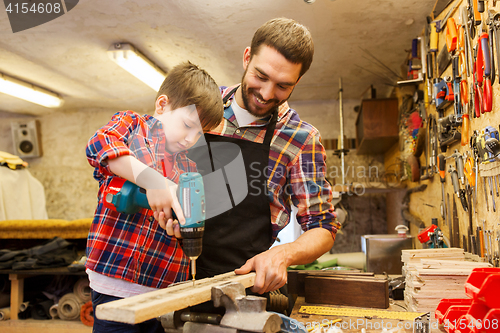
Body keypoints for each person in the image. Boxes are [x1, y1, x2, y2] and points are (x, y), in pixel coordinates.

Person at [165, 18, 340, 295]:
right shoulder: (198, 105)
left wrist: (284, 254)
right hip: (164, 276)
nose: (266, 94)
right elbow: (149, 153)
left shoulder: (301, 139)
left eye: (283, 86)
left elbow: (322, 227)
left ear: (298, 80)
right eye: (261, 76)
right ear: (247, 57)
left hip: (241, 286)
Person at [85, 61, 223, 332]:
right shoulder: (133, 126)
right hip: (114, 280)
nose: (191, 139)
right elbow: (99, 144)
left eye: (200, 133)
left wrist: (179, 229)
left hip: (162, 288)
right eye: (187, 125)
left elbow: (185, 223)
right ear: (162, 105)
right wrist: (153, 181)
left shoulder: (189, 169)